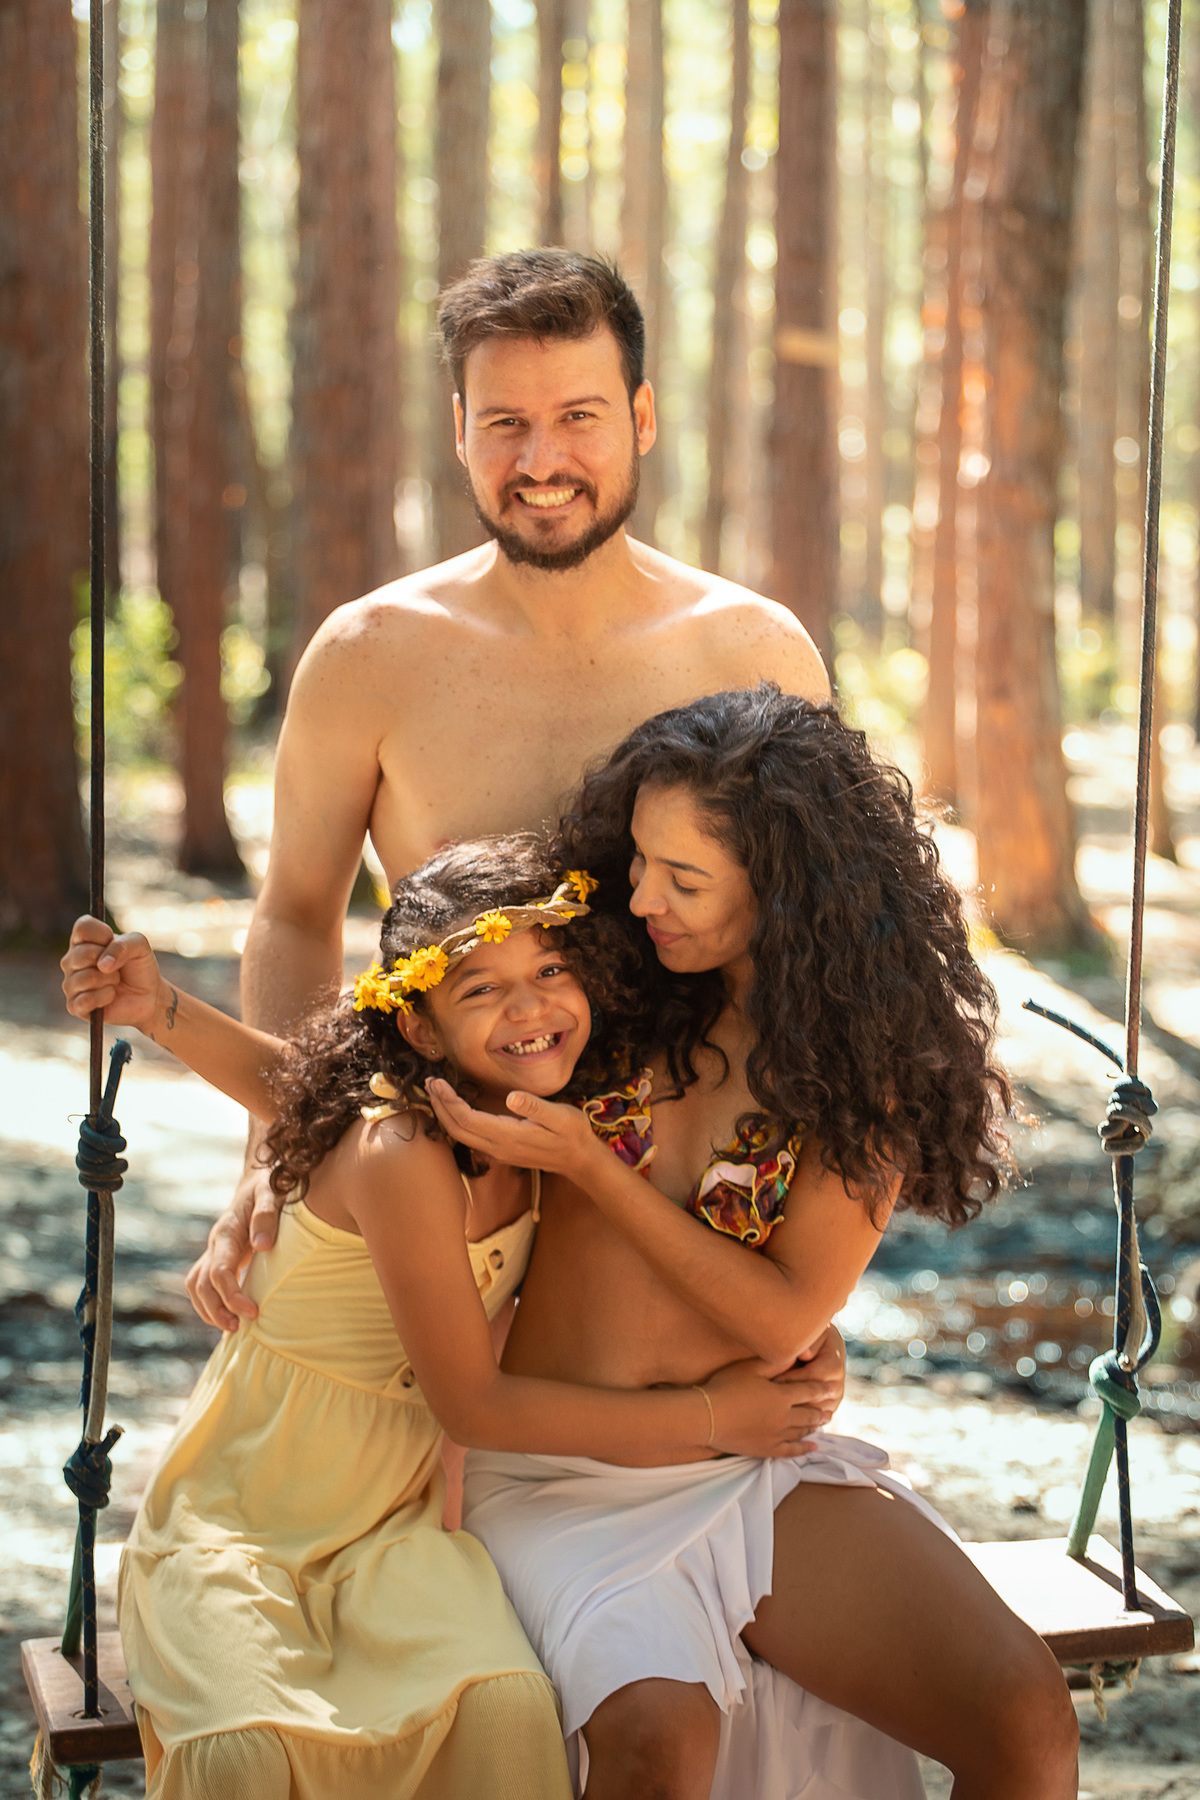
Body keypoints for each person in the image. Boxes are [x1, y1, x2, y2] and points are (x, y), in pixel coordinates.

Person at [61, 838, 822, 1800]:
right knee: (245, 1750)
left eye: (551, 969)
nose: (531, 1006)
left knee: (503, 1707)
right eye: (481, 991)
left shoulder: (546, 1121)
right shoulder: (402, 1144)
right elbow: (474, 1406)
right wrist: (720, 1417)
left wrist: (800, 1334)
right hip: (240, 1516)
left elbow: (297, 1084)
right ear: (420, 1030)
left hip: (396, 1523)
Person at [425, 688, 1081, 1800]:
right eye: (638, 860)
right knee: (658, 1742)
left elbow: (785, 1316)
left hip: (748, 1470)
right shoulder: (603, 980)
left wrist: (597, 1168)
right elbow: (384, 1050)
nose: (642, 899)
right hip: (554, 1476)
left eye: (684, 881)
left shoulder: (863, 1061)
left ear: (788, 892)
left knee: (1024, 1716)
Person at [193, 248, 829, 1333]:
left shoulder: (752, 648)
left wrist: (804, 1280)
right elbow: (298, 914)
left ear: (641, 416)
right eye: (504, 425)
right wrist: (277, 1156)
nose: (541, 461)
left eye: (578, 416)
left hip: (674, 1211)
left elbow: (813, 948)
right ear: (459, 431)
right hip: (441, 1184)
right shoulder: (370, 653)